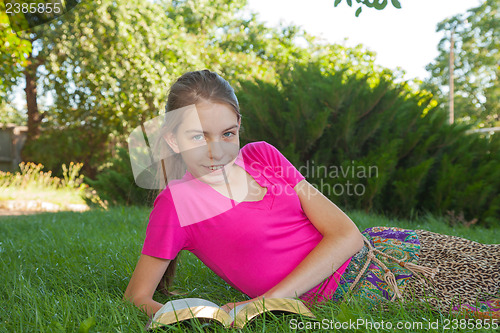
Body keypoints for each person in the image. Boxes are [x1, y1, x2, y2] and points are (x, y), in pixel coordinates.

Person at [124, 70, 500, 320]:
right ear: (172, 138)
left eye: (228, 134)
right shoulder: (176, 205)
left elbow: (348, 234)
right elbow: (138, 296)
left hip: (382, 251)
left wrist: (262, 304)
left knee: (488, 264)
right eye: (197, 137)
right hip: (350, 290)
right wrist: (193, 318)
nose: (218, 151)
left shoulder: (262, 155)